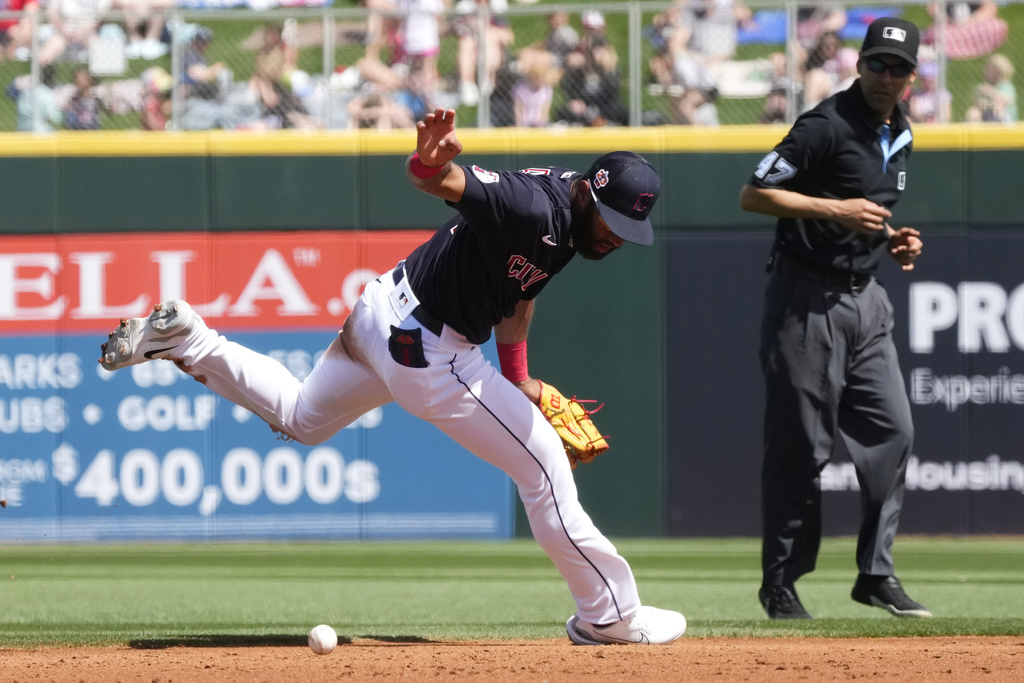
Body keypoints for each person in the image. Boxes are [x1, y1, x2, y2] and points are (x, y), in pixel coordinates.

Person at [98, 108, 687, 647]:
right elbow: (440, 182)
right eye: (610, 221)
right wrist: (429, 158)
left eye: (626, 232)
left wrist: (520, 380)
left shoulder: (568, 225)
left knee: (303, 418)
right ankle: (608, 617)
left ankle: (192, 341)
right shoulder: (531, 205)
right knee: (544, 471)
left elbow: (519, 291)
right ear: (587, 192)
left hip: (382, 315)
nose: (614, 236)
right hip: (429, 350)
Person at [738, 18, 932, 620]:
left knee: (894, 431)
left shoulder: (899, 132)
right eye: (877, 64)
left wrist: (896, 241)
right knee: (802, 447)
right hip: (806, 299)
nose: (886, 76)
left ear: (911, 78)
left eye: (898, 69)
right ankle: (781, 583)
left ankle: (875, 573)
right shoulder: (824, 125)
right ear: (859, 65)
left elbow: (868, 213)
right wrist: (833, 208)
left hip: (867, 300)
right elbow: (752, 193)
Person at [964, 53, 1017, 123]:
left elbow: (1008, 100)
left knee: (998, 105)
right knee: (974, 111)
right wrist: (981, 103)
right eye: (988, 69)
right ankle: (971, 130)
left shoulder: (1006, 85)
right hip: (986, 115)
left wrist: (990, 92)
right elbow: (977, 102)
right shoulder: (984, 86)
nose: (988, 73)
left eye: (993, 70)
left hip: (1004, 116)